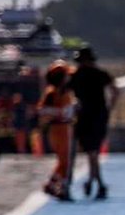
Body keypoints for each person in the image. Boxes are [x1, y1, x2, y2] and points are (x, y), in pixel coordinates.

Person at [69, 46, 118, 200]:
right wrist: (110, 107)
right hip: (98, 116)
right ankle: (95, 182)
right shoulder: (100, 74)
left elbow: (64, 91)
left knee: (91, 152)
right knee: (93, 152)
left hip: (84, 116)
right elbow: (115, 90)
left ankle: (96, 183)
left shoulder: (76, 76)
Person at [37, 61, 77, 200]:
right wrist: (60, 112)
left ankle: (52, 184)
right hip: (60, 128)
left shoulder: (60, 93)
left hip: (60, 127)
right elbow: (43, 110)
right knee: (65, 160)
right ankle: (62, 187)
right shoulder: (54, 93)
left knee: (62, 160)